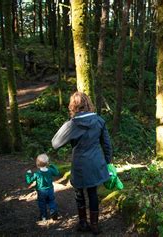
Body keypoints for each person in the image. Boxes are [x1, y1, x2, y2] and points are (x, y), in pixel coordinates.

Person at [52, 92, 112, 234]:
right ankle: (95, 225)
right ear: (88, 103)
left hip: (79, 163)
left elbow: (55, 143)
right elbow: (107, 145)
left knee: (79, 193)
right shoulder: (99, 120)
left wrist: (68, 129)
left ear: (73, 106)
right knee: (92, 193)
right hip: (96, 162)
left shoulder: (72, 124)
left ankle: (83, 223)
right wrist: (107, 162)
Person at [25, 153, 60, 221]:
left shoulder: (37, 174)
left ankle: (44, 216)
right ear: (47, 163)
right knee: (51, 201)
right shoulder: (50, 170)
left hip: (41, 192)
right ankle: (53, 211)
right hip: (50, 190)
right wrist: (53, 165)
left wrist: (28, 174)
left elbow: (29, 181)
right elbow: (57, 172)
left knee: (42, 203)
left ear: (37, 164)